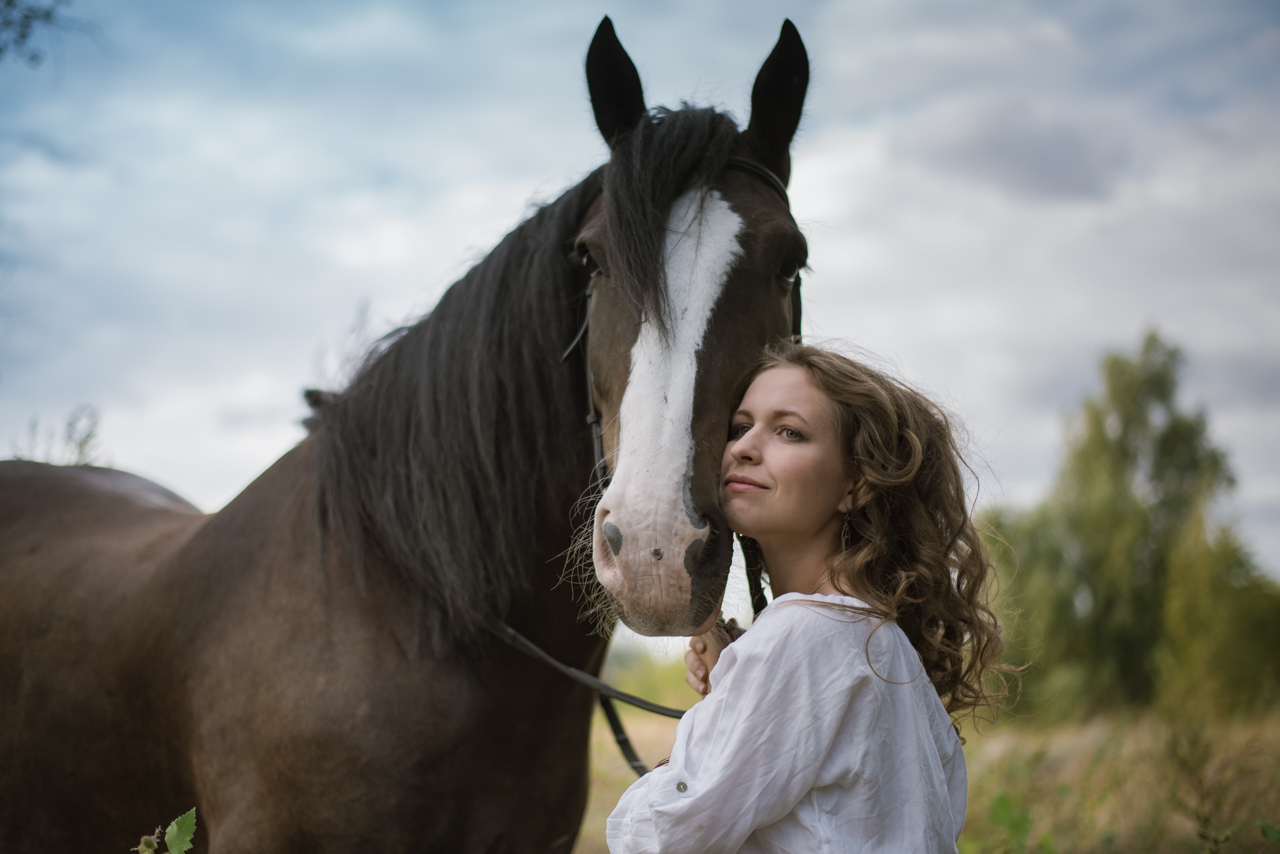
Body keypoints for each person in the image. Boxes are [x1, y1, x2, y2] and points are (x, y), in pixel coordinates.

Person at [605, 342, 1005, 854]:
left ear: (855, 485)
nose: (743, 447)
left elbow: (660, 839)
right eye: (739, 426)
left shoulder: (801, 639)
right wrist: (733, 684)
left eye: (789, 431)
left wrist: (711, 733)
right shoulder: (879, 643)